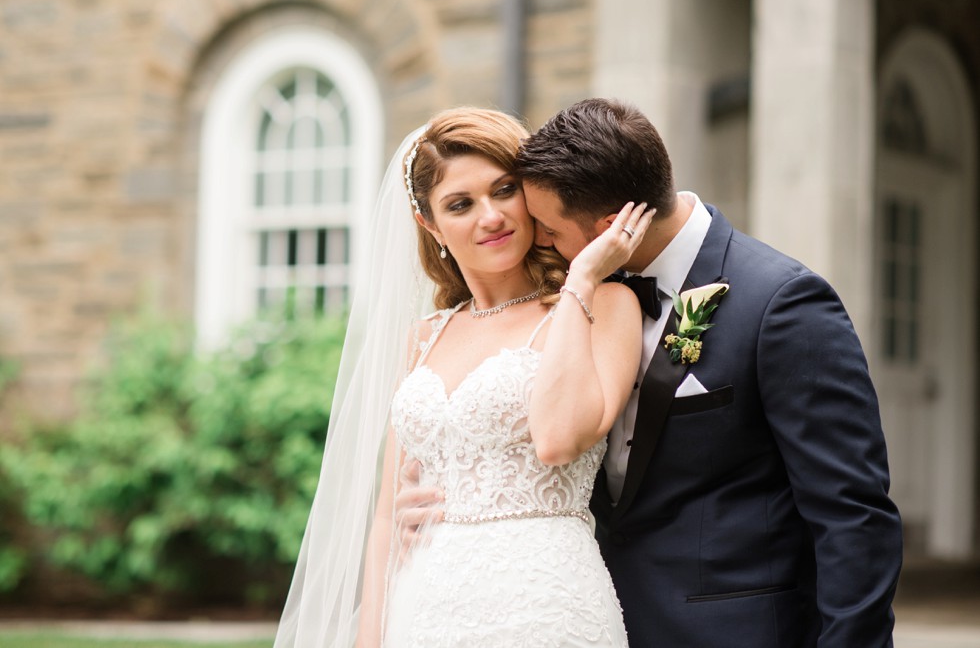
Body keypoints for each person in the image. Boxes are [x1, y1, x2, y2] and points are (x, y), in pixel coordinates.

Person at [510, 97, 904, 647]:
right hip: (599, 622)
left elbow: (853, 515)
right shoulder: (581, 301)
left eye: (549, 228)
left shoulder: (783, 303)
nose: (543, 242)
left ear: (608, 226)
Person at [273, 107, 656, 647]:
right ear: (430, 225)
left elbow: (565, 437)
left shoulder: (605, 304)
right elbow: (387, 517)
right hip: (425, 607)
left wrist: (584, 278)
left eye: (504, 191)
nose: (491, 217)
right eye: (461, 204)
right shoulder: (422, 338)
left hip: (547, 602)